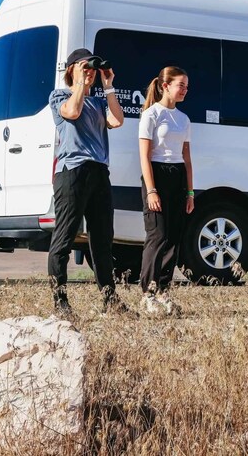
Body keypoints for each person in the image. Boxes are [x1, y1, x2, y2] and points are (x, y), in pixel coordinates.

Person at [47, 48, 127, 316]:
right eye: (85, 66)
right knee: (65, 237)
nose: (90, 71)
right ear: (71, 69)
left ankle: (110, 300)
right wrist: (80, 82)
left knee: (103, 239)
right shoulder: (59, 96)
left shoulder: (99, 103)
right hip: (72, 172)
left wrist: (108, 85)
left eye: (92, 67)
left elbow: (117, 120)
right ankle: (60, 302)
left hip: (98, 172)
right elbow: (71, 112)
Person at [138, 66, 194, 315]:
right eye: (180, 84)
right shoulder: (151, 114)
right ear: (165, 86)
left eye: (186, 86)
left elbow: (187, 156)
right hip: (157, 175)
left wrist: (190, 192)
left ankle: (163, 290)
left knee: (173, 237)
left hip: (178, 176)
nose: (185, 89)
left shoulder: (184, 119)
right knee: (157, 235)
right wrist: (151, 190)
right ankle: (147, 293)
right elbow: (144, 155)